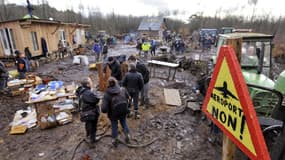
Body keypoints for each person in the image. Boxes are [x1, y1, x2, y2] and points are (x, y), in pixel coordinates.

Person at [101, 77, 130, 147]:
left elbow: (103, 109)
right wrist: (127, 107)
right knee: (124, 122)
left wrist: (108, 109)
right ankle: (127, 135)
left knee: (114, 125)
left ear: (108, 84)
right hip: (123, 111)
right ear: (116, 82)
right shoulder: (123, 89)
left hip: (113, 114)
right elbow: (128, 98)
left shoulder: (107, 94)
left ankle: (115, 140)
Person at [76, 77, 100, 144]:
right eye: (90, 81)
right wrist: (93, 92)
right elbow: (95, 100)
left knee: (88, 125)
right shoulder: (88, 93)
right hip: (90, 112)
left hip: (84, 112)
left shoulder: (81, 91)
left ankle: (88, 136)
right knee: (93, 126)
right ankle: (92, 140)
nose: (92, 82)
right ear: (87, 84)